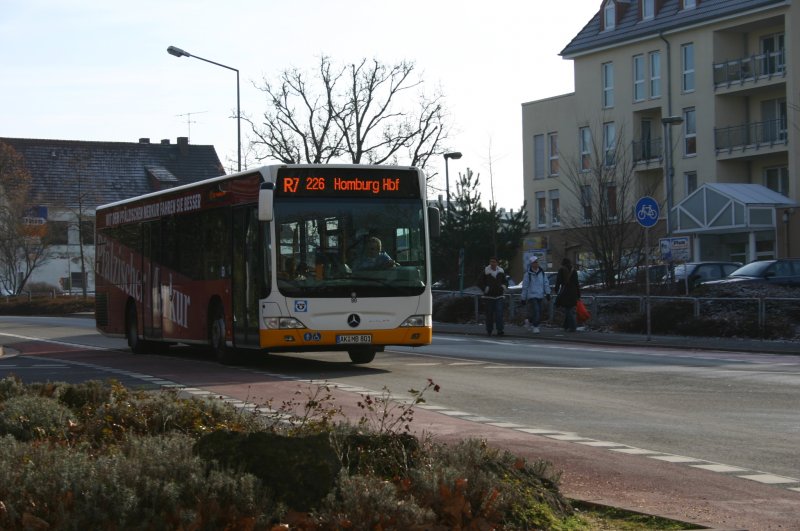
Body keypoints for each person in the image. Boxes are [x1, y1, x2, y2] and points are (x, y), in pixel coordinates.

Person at [477, 257, 508, 336]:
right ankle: (489, 330)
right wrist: (485, 289)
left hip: (499, 296)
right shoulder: (486, 272)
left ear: (497, 263)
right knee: (489, 314)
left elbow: (505, 281)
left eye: (494, 262)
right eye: (491, 262)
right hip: (489, 297)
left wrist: (503, 287)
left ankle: (500, 330)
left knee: (499, 314)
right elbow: (479, 282)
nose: (492, 263)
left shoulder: (501, 271)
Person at [520, 256, 551, 334]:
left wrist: (548, 293)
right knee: (536, 311)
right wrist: (523, 298)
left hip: (540, 295)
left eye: (537, 262)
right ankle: (535, 326)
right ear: (531, 264)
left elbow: (546, 284)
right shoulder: (527, 274)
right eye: (534, 262)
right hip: (531, 296)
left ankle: (528, 320)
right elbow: (525, 287)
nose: (536, 264)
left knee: (538, 311)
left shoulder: (542, 273)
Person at [554, 257, 581, 332]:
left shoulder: (561, 270)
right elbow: (577, 283)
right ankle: (565, 326)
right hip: (573, 292)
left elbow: (558, 281)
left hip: (565, 292)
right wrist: (578, 294)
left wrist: (556, 290)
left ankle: (573, 327)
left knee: (568, 310)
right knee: (569, 309)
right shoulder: (574, 271)